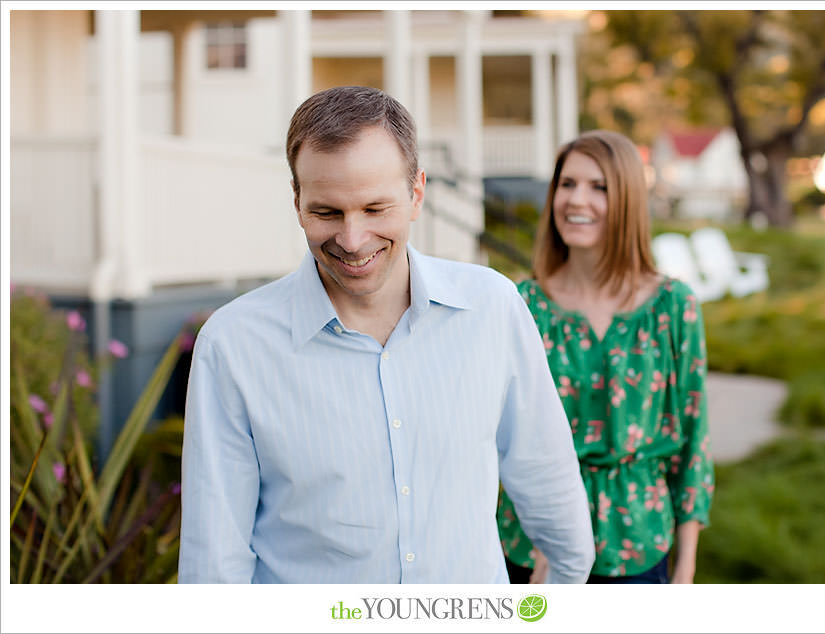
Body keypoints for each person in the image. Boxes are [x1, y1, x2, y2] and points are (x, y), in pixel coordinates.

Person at [178, 86, 594, 583]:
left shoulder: (493, 309)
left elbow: (552, 494)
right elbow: (213, 564)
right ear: (297, 201)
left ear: (417, 193)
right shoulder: (234, 345)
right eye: (327, 212)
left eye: (375, 209)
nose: (352, 241)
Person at [496, 130, 714, 584]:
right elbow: (505, 440)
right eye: (567, 183)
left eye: (599, 187)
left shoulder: (672, 307)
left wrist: (686, 568)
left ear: (629, 200)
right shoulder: (523, 305)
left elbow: (693, 438)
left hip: (638, 542)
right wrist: (544, 542)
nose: (577, 200)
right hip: (534, 549)